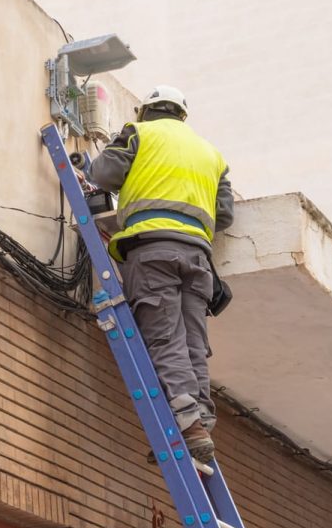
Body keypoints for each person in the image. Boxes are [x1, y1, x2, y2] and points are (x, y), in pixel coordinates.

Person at [89, 85, 234, 463]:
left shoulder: (139, 133)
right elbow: (225, 215)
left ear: (145, 111)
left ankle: (187, 423)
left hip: (151, 249)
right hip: (198, 258)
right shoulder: (212, 155)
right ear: (182, 116)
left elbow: (104, 174)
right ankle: (198, 420)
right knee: (193, 344)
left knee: (164, 336)